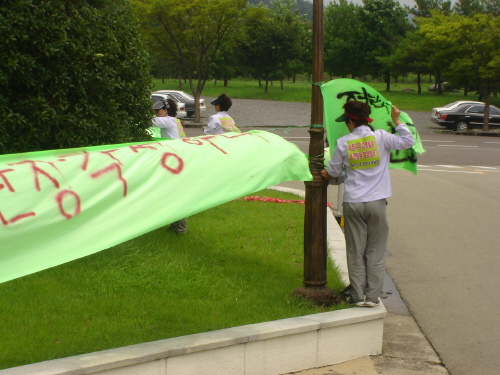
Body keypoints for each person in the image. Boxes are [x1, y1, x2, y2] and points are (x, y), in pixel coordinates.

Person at [321, 100, 414, 308]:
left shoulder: (344, 142)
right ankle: (372, 297)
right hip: (377, 203)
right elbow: (407, 141)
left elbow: (334, 173)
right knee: (375, 251)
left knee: (355, 250)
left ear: (351, 121)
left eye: (346, 121)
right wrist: (396, 120)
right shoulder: (381, 137)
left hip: (353, 203)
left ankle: (357, 295)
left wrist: (332, 173)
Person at [152, 98, 188, 234]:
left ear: (165, 111)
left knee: (175, 194)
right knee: (173, 193)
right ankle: (175, 226)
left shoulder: (168, 120)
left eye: (158, 111)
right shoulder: (176, 121)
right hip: (178, 161)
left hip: (174, 163)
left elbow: (149, 121)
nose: (156, 114)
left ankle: (179, 228)